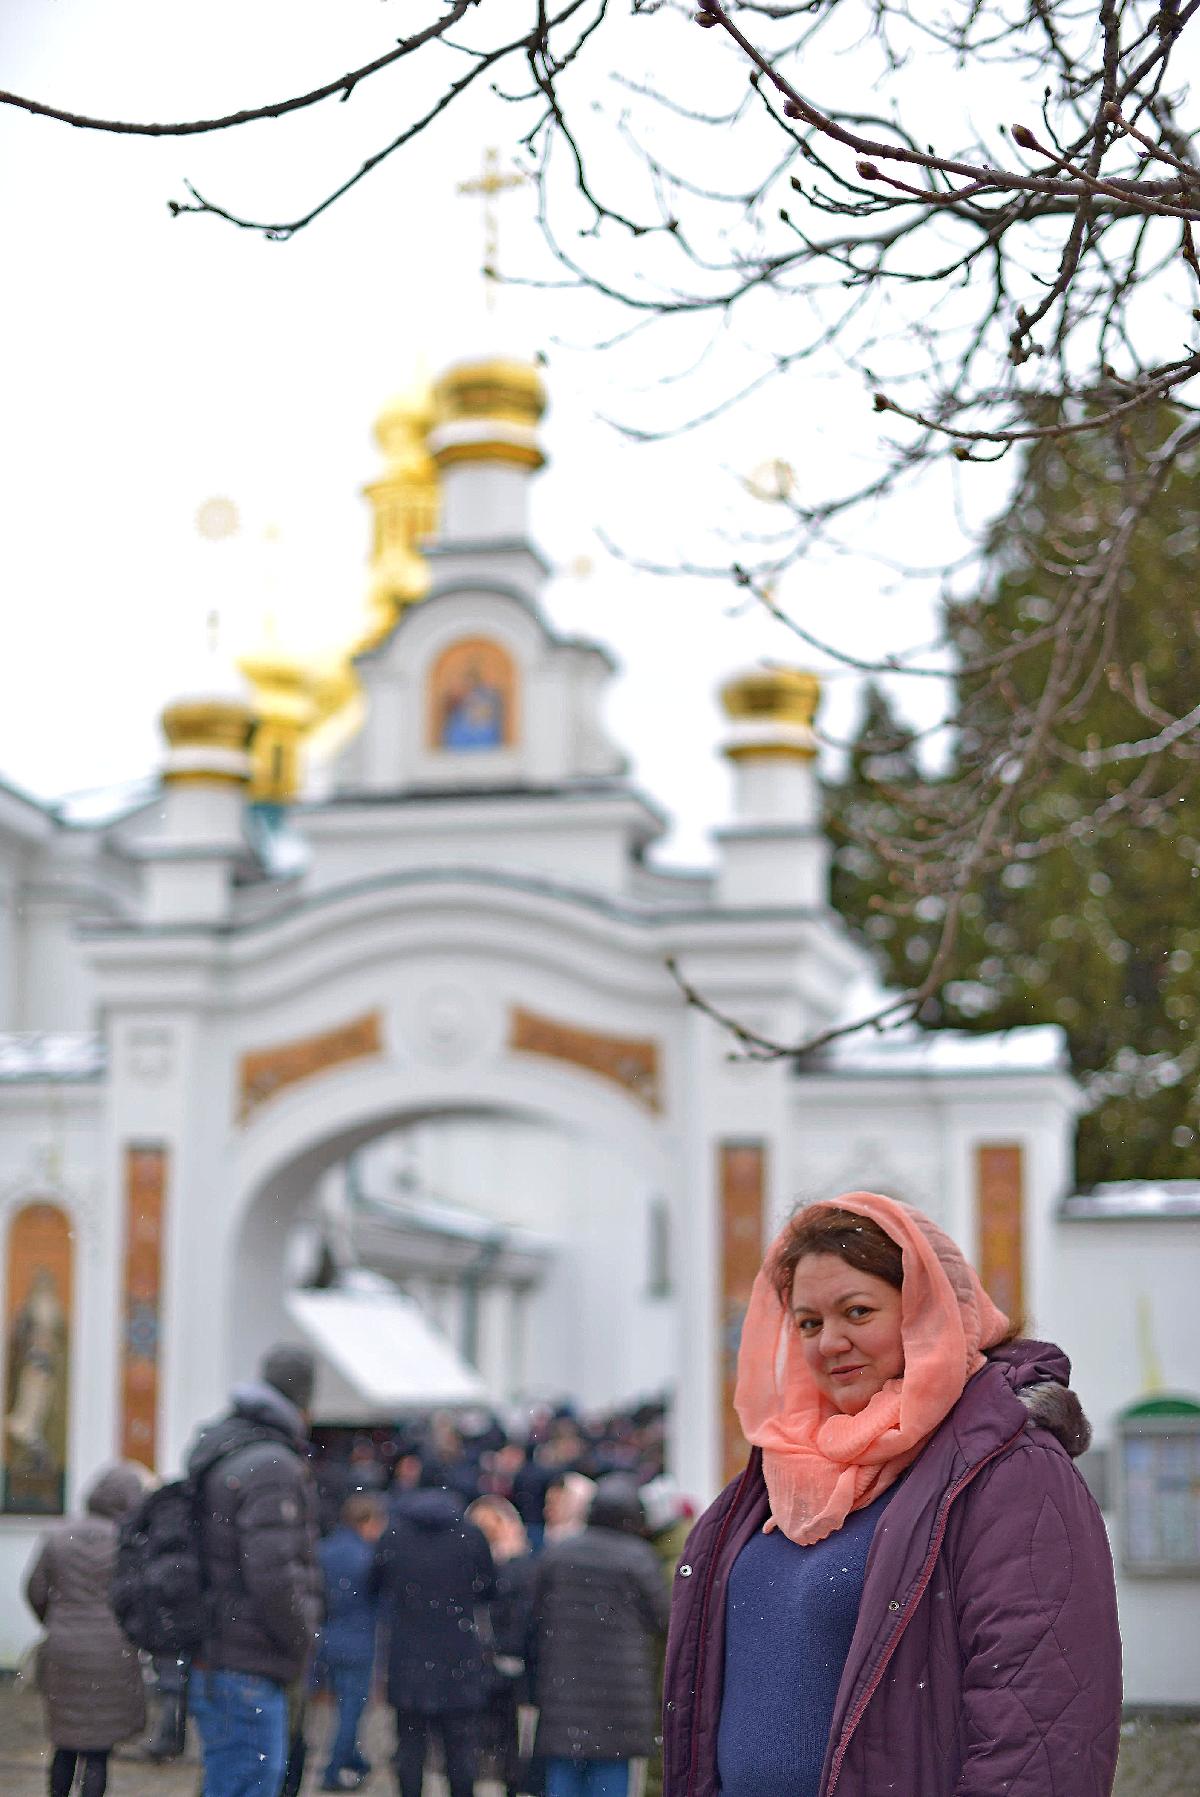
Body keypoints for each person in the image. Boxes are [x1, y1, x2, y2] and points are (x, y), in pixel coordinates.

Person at [662, 1191, 1124, 1797]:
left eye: (857, 1312)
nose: (829, 1342)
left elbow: (1040, 1730)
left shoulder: (1007, 1472)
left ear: (926, 1312)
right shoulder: (779, 1476)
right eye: (809, 1322)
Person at [185, 1343, 322, 1797]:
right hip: (249, 1661)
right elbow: (274, 1576)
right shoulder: (272, 1465)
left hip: (218, 1651)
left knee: (229, 1779)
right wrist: (304, 1636)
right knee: (248, 1783)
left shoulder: (227, 1444)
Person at [531, 1476, 671, 1797]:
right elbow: (664, 1619)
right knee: (610, 1774)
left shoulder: (558, 1554)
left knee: (564, 1773)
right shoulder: (639, 1558)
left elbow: (534, 1617)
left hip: (563, 1686)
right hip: (621, 1693)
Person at [370, 1460, 496, 1797]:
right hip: (459, 1652)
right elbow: (488, 1589)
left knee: (409, 1747)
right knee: (460, 1748)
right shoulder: (470, 1534)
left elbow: (375, 1584)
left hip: (408, 1654)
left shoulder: (394, 1531)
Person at [23, 1462, 149, 1797]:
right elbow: (139, 1597)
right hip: (112, 1650)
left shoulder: (58, 1535)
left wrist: (55, 1621)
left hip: (63, 1648)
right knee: (97, 1749)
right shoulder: (128, 1543)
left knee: (64, 1742)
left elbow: (34, 1589)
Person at [315, 1493, 387, 1792]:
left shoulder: (324, 1549)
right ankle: (336, 1767)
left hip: (328, 1637)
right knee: (351, 1710)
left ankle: (354, 1758)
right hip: (358, 1640)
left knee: (340, 1705)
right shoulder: (368, 1557)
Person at [466, 1495, 537, 1797]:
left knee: (512, 1735)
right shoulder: (477, 1564)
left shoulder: (520, 1564)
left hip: (510, 1661)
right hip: (483, 1661)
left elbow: (522, 1612)